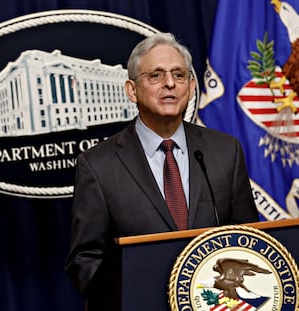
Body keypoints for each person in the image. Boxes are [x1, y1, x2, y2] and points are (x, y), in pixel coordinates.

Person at [65, 32, 259, 309]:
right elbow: (85, 260)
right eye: (156, 75)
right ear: (131, 90)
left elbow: (249, 240)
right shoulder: (98, 165)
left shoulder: (225, 151)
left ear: (191, 87)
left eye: (179, 75)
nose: (170, 83)